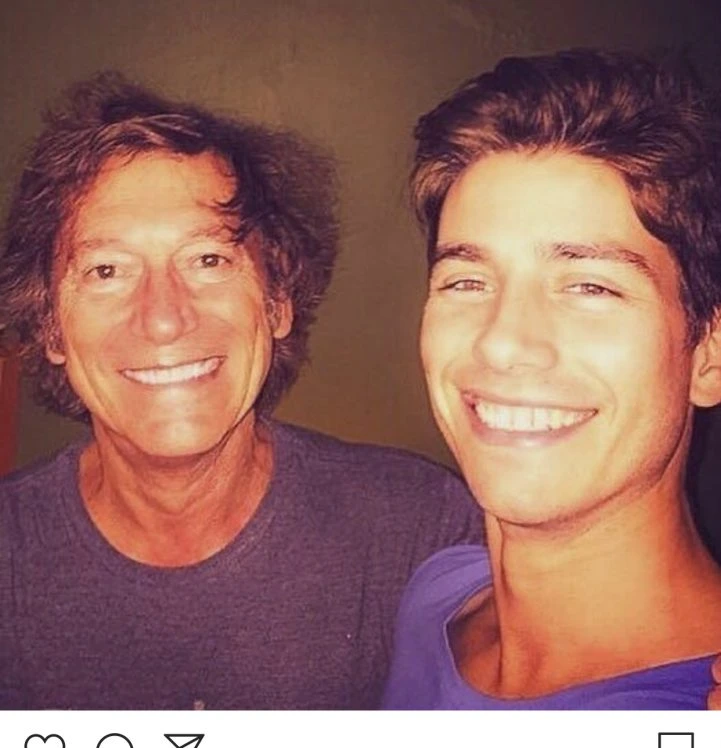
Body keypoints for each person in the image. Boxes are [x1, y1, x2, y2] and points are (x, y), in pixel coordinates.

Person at [0, 73, 481, 710]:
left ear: (277, 300)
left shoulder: (423, 534)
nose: (164, 318)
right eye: (106, 270)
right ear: (50, 328)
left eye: (208, 260)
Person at [384, 49, 721, 710]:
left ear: (707, 355)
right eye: (466, 281)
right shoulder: (438, 595)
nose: (502, 341)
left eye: (590, 286)